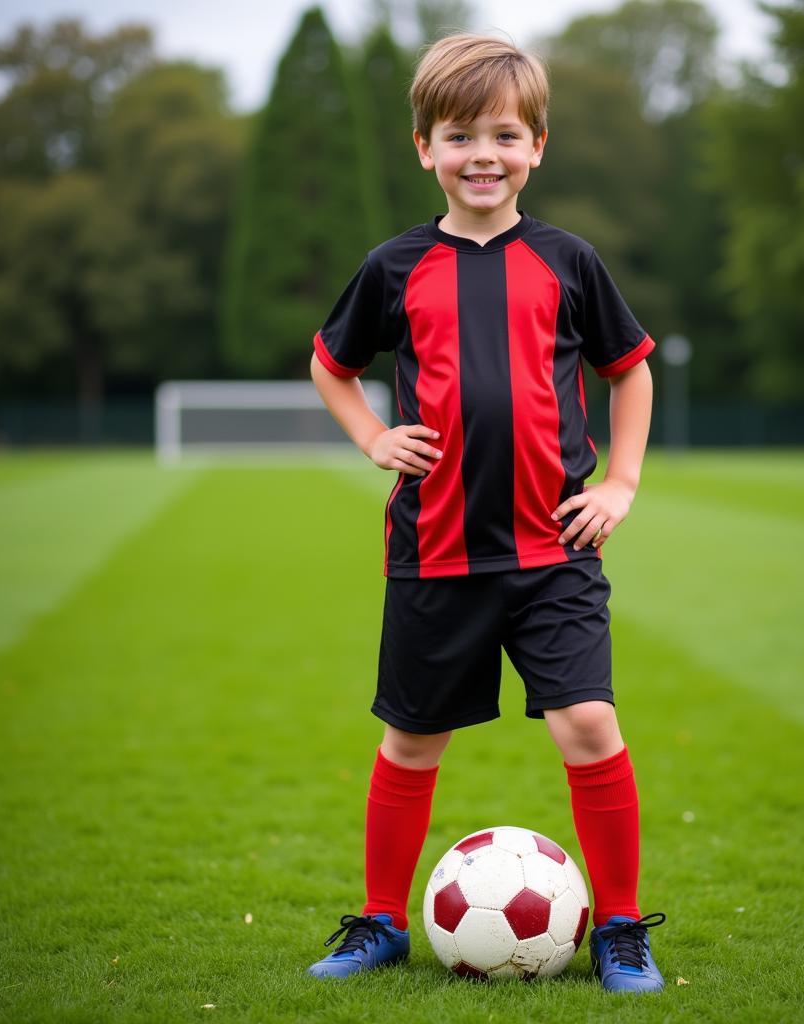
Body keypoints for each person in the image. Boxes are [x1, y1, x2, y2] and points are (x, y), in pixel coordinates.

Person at [306, 32, 666, 994]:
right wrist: (375, 439)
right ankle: (380, 921)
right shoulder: (395, 266)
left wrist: (620, 484)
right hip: (434, 548)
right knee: (412, 738)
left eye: (504, 135)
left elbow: (629, 369)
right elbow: (331, 366)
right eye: (459, 134)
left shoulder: (567, 260)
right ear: (423, 145)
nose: (483, 154)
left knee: (588, 722)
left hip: (555, 545)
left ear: (538, 145)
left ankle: (621, 927)